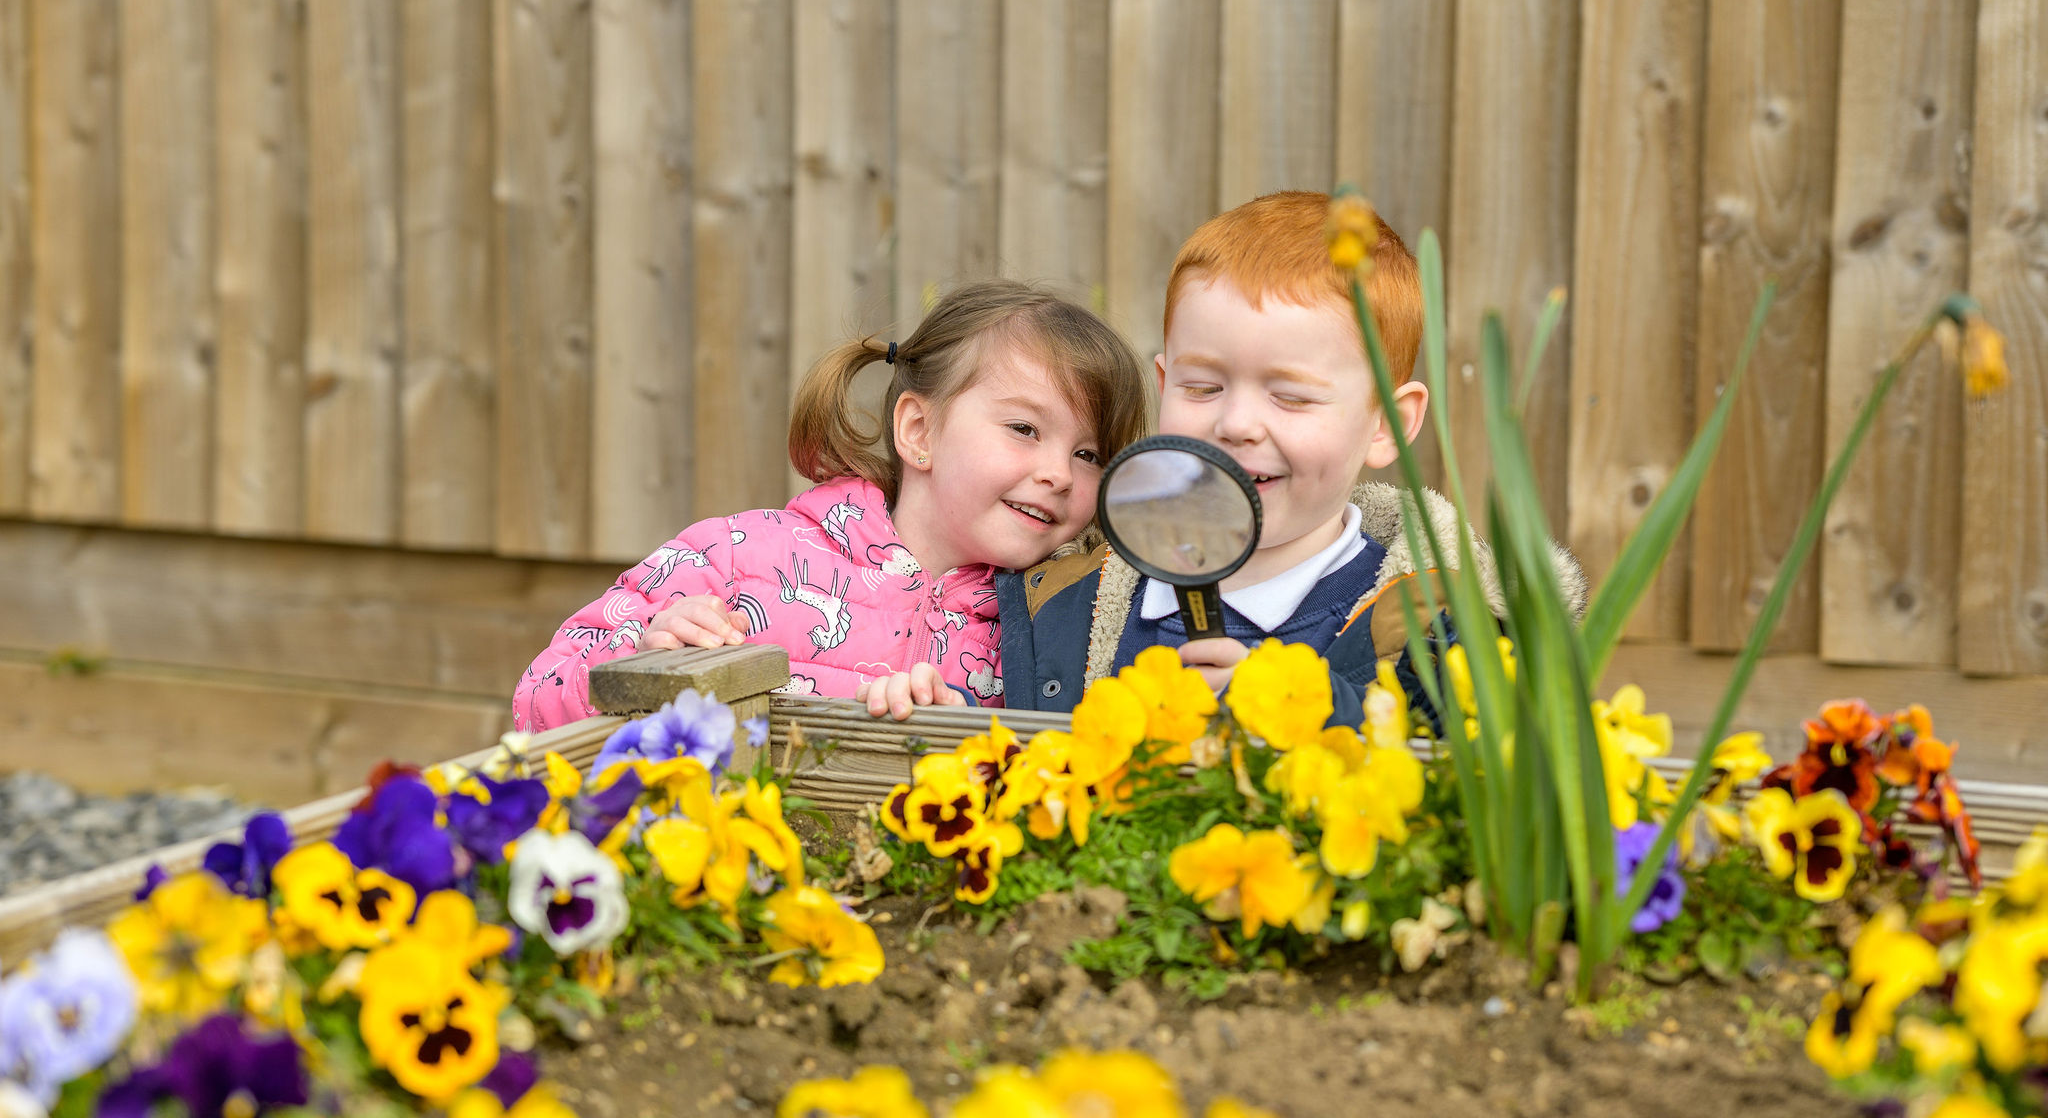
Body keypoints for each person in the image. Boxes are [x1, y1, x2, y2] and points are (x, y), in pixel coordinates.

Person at [996, 191, 1585, 725]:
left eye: (1291, 397)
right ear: (1164, 383)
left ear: (1387, 427)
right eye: (1202, 387)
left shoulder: (1441, 642)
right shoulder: (1063, 597)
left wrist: (1307, 715)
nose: (1237, 424)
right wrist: (946, 714)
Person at [513, 282, 1149, 732]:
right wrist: (642, 659)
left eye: (1089, 455)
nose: (1059, 475)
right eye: (1025, 430)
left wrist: (971, 750)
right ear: (920, 432)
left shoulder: (1065, 627)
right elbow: (534, 704)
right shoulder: (739, 556)